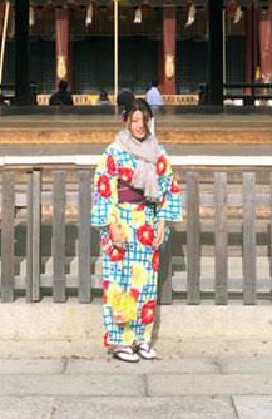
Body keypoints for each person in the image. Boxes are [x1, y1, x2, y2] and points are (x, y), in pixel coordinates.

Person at [91, 98, 183, 363]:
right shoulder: (114, 152)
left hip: (147, 221)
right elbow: (104, 189)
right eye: (135, 120)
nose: (140, 125)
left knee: (146, 283)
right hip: (121, 219)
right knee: (121, 282)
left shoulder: (159, 152)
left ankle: (142, 338)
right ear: (126, 121)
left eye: (144, 120)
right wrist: (112, 226)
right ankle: (121, 341)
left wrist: (162, 223)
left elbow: (169, 188)